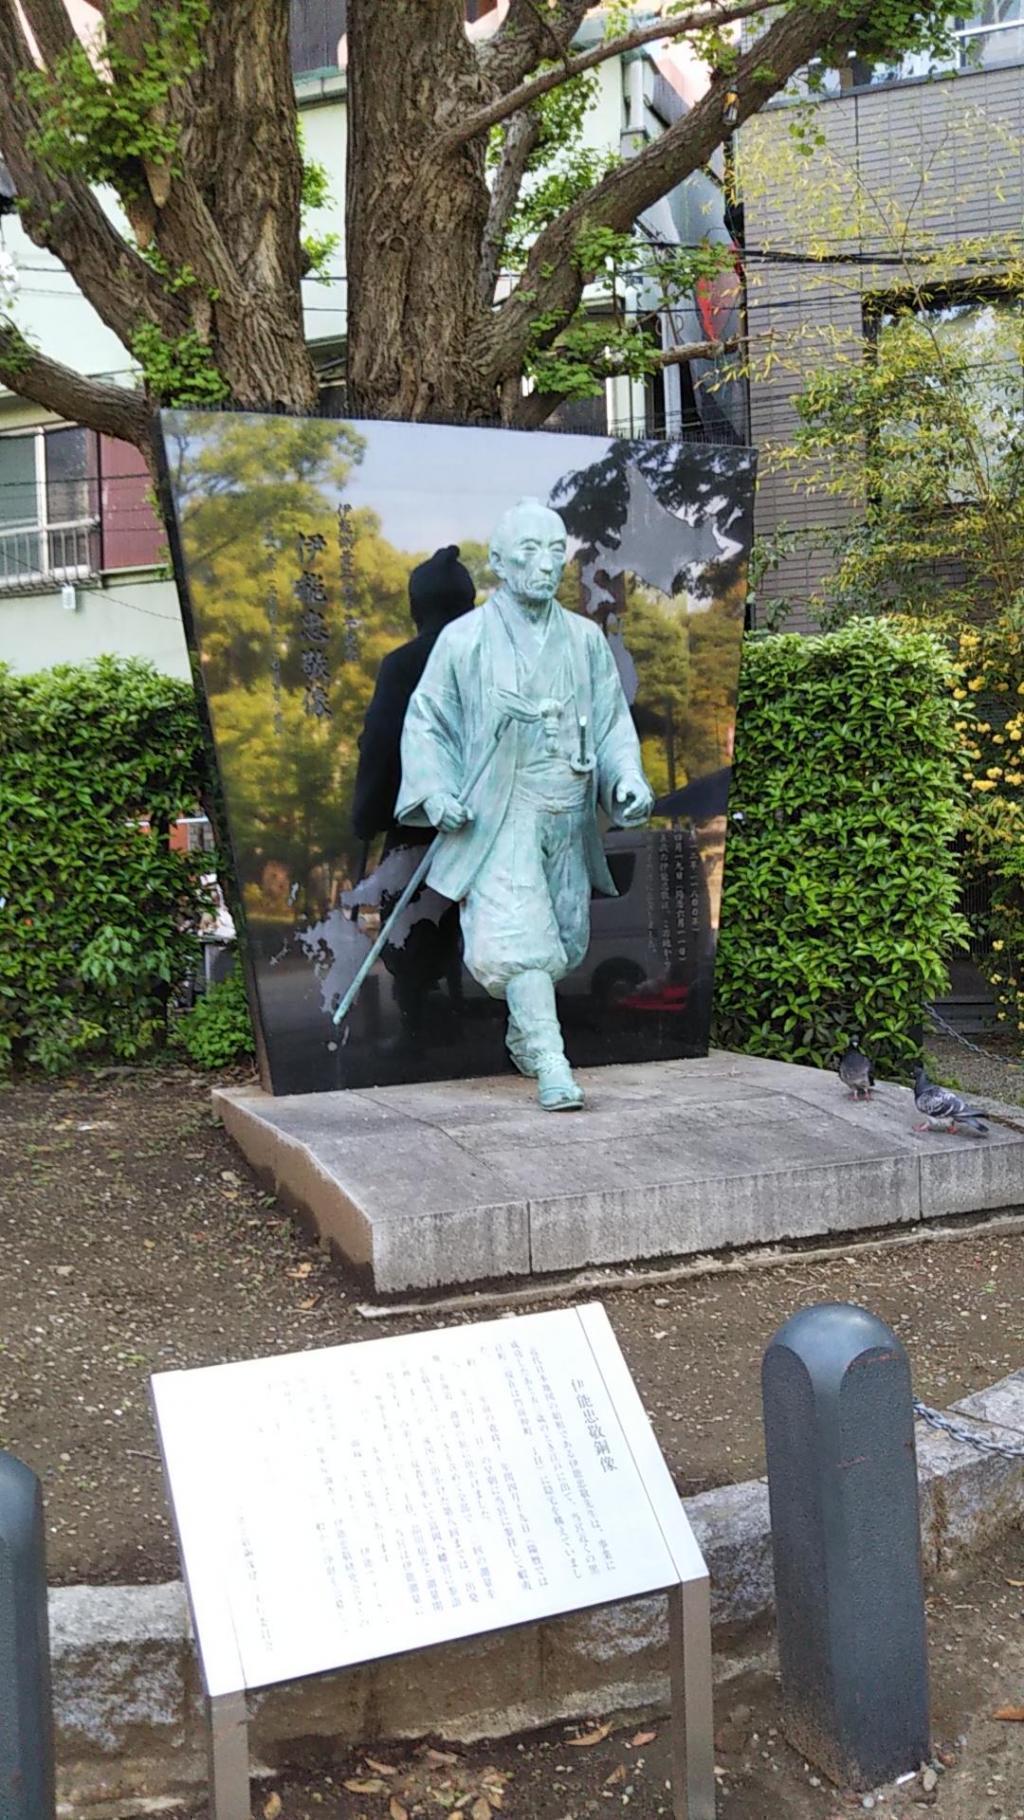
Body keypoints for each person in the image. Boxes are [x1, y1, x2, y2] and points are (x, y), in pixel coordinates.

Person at [396, 498, 652, 1110]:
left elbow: (614, 721)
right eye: (530, 553)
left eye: (555, 551)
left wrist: (626, 782)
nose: (546, 565)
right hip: (500, 812)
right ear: (501, 565)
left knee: (563, 941)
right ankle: (552, 1063)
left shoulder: (585, 640)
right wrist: (436, 791)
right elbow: (426, 720)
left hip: (567, 811)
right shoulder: (466, 640)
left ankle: (522, 1032)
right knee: (520, 938)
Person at [350, 545, 476, 1040]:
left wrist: (367, 813)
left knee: (410, 924)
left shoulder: (403, 665)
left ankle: (418, 1023)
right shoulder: (497, 659)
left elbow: (381, 743)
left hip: (418, 825)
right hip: (491, 821)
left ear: (415, 606)